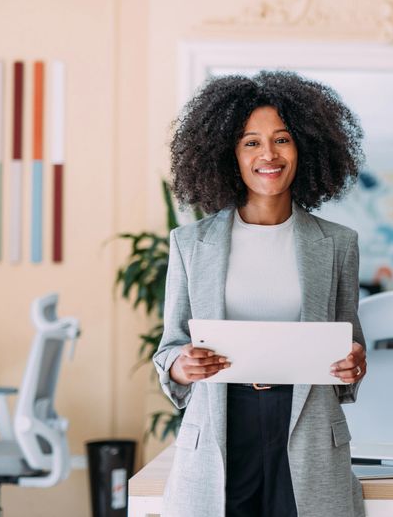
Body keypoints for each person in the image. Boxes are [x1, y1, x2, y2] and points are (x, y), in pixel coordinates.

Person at [154, 71, 367, 517]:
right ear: (227, 153)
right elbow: (169, 348)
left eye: (282, 139)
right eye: (251, 142)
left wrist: (354, 363)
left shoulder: (339, 244)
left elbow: (351, 349)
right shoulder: (191, 244)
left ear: (304, 147)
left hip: (306, 431)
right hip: (222, 429)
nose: (268, 154)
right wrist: (180, 364)